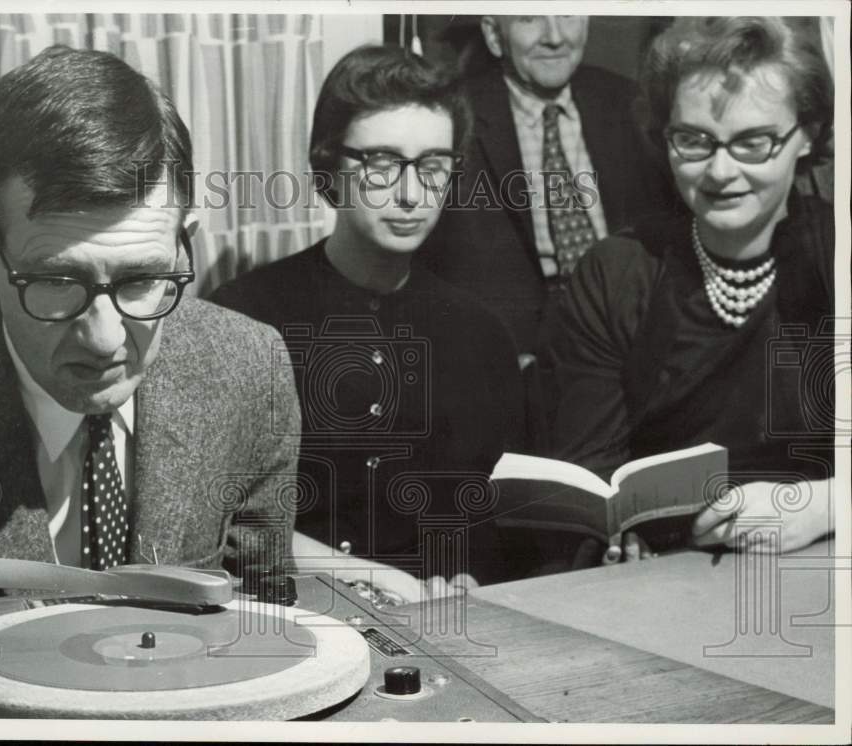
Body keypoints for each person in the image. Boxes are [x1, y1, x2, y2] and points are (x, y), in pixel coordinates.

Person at [0, 46, 301, 579]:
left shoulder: (253, 368)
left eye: (142, 279)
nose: (103, 339)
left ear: (185, 246)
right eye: (56, 280)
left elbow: (264, 615)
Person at [211, 45, 523, 600]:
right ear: (329, 166)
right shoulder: (244, 318)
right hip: (289, 616)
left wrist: (470, 576)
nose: (409, 194)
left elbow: (486, 514)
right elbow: (219, 516)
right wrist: (373, 577)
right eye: (381, 163)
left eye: (432, 166)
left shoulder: (481, 334)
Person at [542, 16, 835, 569]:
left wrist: (827, 505)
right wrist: (615, 541)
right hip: (665, 582)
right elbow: (588, 483)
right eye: (694, 141)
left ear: (808, 135)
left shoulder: (837, 258)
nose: (721, 171)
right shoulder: (616, 273)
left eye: (753, 142)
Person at [416, 15, 674, 362]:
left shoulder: (630, 103)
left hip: (630, 336)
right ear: (494, 35)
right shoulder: (451, 120)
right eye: (530, 18)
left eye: (567, 14)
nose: (554, 37)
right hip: (510, 357)